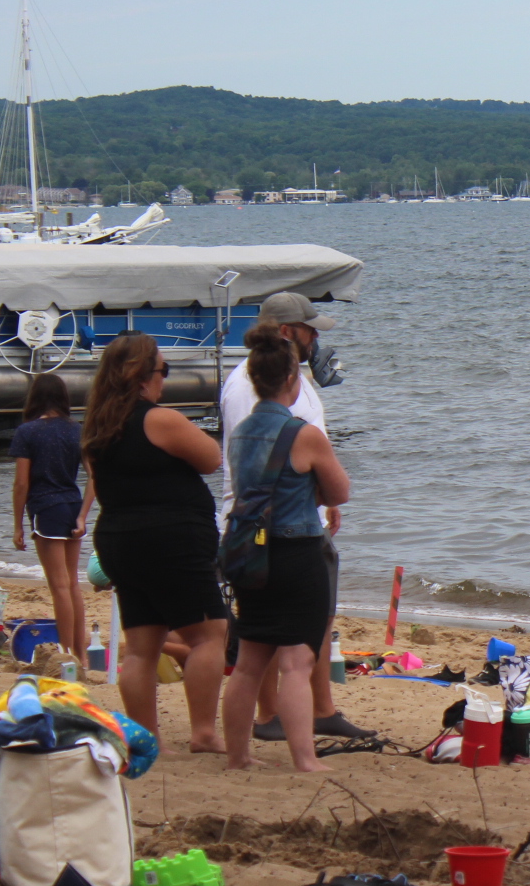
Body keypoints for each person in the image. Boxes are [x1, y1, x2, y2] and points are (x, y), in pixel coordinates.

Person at [217, 291, 368, 742]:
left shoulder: (282, 379)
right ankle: (269, 716)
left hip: (295, 514)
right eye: (309, 329)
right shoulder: (252, 387)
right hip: (276, 527)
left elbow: (287, 451)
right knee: (277, 638)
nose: (316, 337)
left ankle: (320, 709)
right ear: (287, 332)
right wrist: (322, 491)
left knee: (308, 623)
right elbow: (258, 465)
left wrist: (325, 498)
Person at [83, 333, 228, 753]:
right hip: (170, 539)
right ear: (144, 375)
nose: (165, 380)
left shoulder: (97, 427)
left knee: (142, 646)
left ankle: (145, 737)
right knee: (208, 634)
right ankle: (202, 731)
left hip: (118, 539)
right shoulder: (158, 419)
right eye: (164, 371)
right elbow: (211, 458)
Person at [10, 373, 92, 657]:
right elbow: (95, 476)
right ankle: (81, 654)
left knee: (59, 586)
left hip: (46, 508)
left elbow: (22, 484)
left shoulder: (28, 432)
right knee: (72, 585)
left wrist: (17, 525)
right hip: (72, 505)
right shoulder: (76, 430)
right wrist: (83, 515)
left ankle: (67, 652)